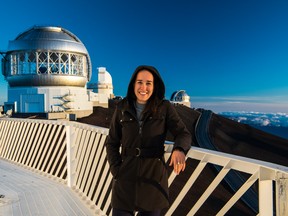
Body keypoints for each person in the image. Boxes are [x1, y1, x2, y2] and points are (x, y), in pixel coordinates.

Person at [105, 65, 192, 216]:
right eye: (139, 82)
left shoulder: (164, 108)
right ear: (133, 84)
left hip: (153, 179)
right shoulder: (122, 107)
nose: (143, 87)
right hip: (125, 178)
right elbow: (112, 142)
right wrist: (116, 170)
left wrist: (179, 149)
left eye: (148, 83)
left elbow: (183, 134)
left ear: (155, 86)